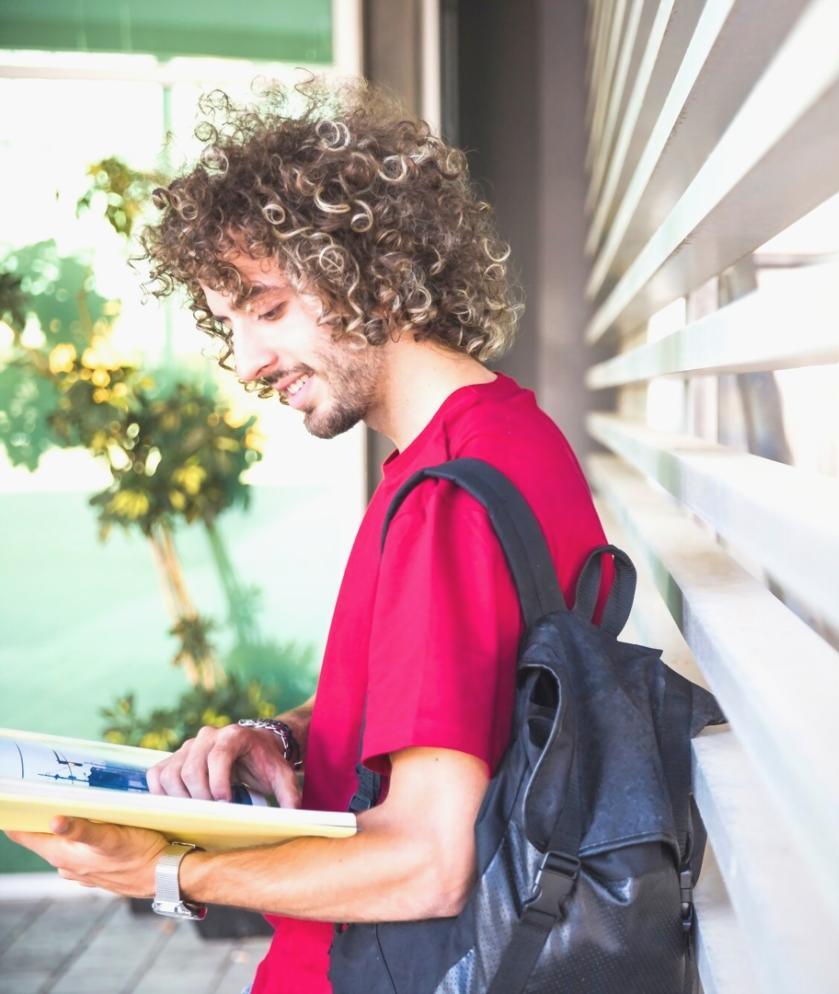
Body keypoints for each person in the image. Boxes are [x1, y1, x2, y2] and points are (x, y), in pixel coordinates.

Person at [4, 78, 608, 994]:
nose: (245, 363)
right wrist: (283, 738)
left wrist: (163, 874)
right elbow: (472, 712)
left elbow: (426, 860)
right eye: (229, 323)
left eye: (268, 307)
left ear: (375, 268)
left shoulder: (454, 495)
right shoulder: (491, 446)